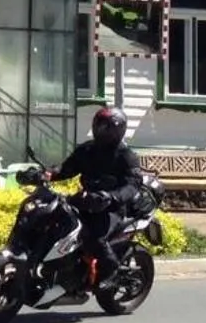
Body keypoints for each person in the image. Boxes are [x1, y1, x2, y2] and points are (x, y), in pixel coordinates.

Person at [52, 105, 143, 291]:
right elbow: (66, 169)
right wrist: (46, 174)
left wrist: (111, 197)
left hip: (110, 208)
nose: (100, 130)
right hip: (85, 201)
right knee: (54, 219)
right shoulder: (87, 150)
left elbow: (133, 185)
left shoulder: (126, 156)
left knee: (94, 237)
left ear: (117, 129)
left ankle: (111, 271)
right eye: (98, 124)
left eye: (105, 126)